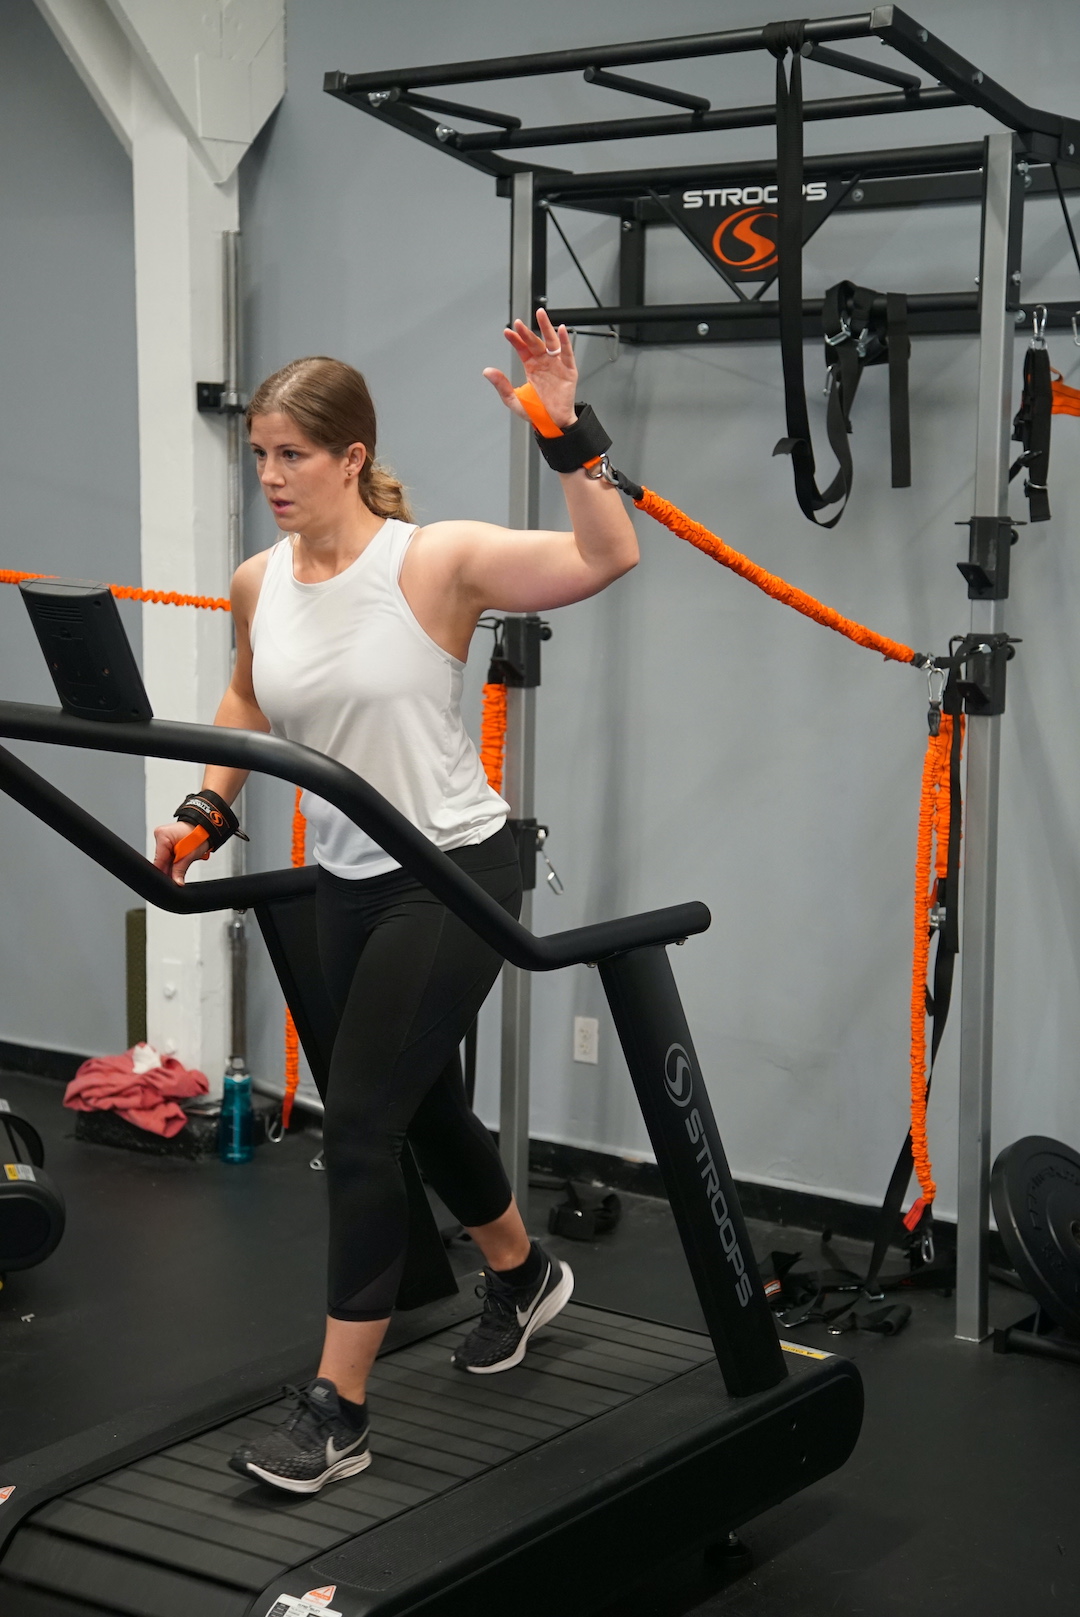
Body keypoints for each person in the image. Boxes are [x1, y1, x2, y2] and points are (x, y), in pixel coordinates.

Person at [153, 308, 639, 1495]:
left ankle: (339, 1415)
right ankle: (523, 1276)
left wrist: (566, 430)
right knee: (419, 1108)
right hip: (350, 878)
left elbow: (604, 557)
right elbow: (247, 698)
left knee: (358, 1124)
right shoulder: (259, 579)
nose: (268, 476)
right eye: (258, 454)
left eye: (291, 456)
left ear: (352, 458)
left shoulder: (432, 559)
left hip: (452, 873)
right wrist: (207, 812)